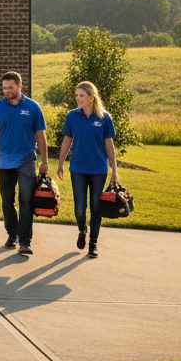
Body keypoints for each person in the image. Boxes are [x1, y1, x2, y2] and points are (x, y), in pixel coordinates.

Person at [0, 72, 48, 257]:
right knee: (7, 201)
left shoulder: (33, 107)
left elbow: (41, 136)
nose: (7, 91)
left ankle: (25, 241)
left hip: (27, 159)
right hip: (4, 161)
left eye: (10, 87)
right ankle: (12, 234)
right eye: (4, 88)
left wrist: (45, 161)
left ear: (20, 86)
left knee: (27, 200)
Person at [57, 81, 118, 260]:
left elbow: (109, 145)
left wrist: (115, 170)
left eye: (81, 95)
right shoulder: (72, 116)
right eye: (76, 95)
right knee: (80, 208)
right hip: (78, 168)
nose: (77, 99)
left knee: (96, 207)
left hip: (99, 169)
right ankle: (82, 229)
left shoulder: (104, 117)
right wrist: (60, 162)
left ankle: (93, 243)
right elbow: (67, 140)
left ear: (91, 97)